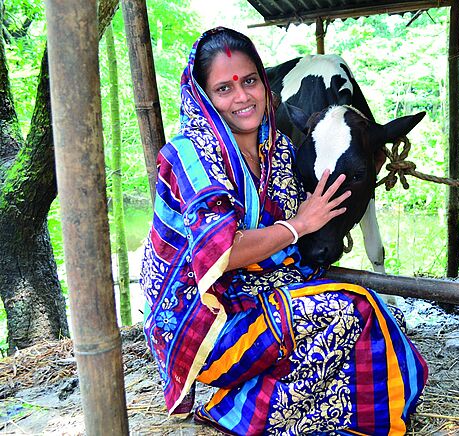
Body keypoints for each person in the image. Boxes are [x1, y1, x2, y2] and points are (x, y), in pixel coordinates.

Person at [140, 26, 427, 435]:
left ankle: (258, 395)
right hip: (201, 320)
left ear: (264, 82)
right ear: (203, 97)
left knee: (359, 310)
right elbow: (222, 251)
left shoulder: (279, 149)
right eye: (224, 89)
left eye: (251, 81)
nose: (242, 97)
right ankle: (237, 411)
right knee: (356, 308)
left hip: (255, 291)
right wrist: (298, 225)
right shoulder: (188, 156)